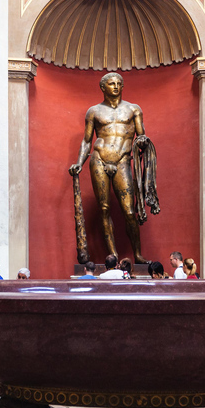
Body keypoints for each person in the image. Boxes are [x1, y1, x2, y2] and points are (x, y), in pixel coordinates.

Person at [68, 72, 159, 264]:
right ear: (103, 87)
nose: (116, 86)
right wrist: (79, 162)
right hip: (99, 159)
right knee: (104, 208)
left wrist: (143, 142)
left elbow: (141, 136)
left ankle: (138, 254)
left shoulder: (133, 109)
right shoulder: (93, 111)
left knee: (128, 211)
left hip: (123, 160)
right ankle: (113, 255)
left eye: (119, 83)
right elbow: (86, 141)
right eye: (111, 83)